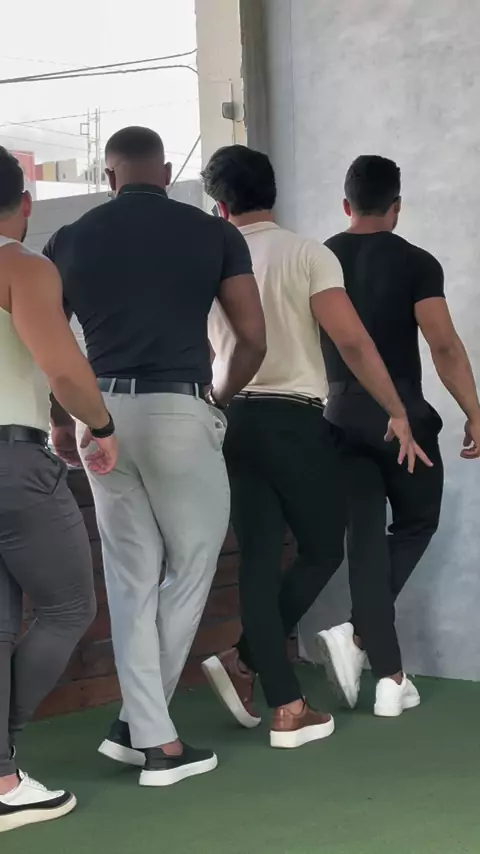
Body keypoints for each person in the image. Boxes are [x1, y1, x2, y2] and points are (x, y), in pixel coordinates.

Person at [44, 127, 266, 787]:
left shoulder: (69, 238)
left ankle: (135, 728)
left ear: (109, 176)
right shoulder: (213, 233)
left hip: (100, 415)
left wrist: (63, 419)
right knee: (192, 567)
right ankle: (156, 743)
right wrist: (217, 399)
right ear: (166, 172)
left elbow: (48, 342)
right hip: (178, 408)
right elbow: (251, 338)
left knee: (130, 580)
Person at [201, 144, 430, 750]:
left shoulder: (211, 254)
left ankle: (280, 700)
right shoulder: (306, 252)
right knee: (324, 546)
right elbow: (351, 341)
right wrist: (396, 410)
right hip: (294, 416)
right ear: (273, 191)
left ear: (219, 205)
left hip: (232, 417)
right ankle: (252, 668)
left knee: (257, 556)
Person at [317, 155, 480, 717]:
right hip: (400, 413)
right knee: (416, 521)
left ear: (346, 205)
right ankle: (362, 638)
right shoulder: (415, 262)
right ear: (397, 207)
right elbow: (444, 345)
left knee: (363, 539)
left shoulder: (320, 259)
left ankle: (384, 670)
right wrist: (473, 411)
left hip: (338, 415)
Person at [0, 147, 118, 833]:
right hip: (10, 464)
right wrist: (99, 425)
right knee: (70, 604)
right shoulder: (20, 265)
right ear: (24, 203)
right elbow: (64, 367)